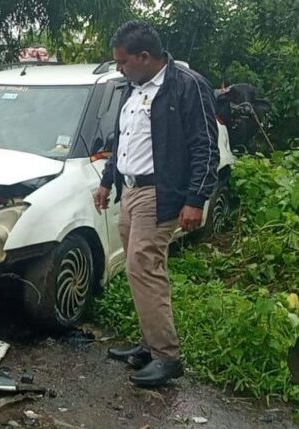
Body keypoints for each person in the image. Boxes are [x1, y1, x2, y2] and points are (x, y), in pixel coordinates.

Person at [93, 20, 220, 388]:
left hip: (159, 192)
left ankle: (167, 356)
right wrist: (107, 181)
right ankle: (149, 346)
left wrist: (195, 199)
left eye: (123, 61)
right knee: (139, 270)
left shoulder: (186, 85)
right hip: (130, 191)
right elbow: (122, 141)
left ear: (145, 57)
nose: (119, 68)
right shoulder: (131, 89)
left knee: (143, 265)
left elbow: (205, 146)